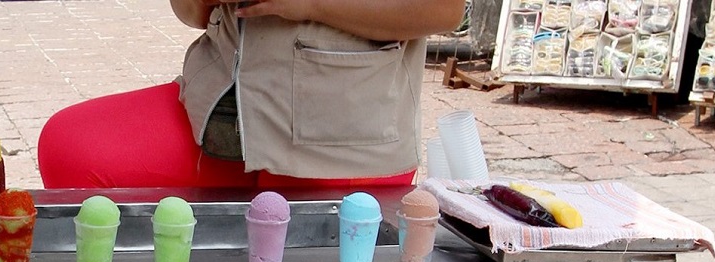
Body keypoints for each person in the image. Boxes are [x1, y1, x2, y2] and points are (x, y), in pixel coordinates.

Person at [37, 0, 467, 190]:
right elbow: (189, 12)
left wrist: (313, 4)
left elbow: (443, 10)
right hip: (221, 110)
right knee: (71, 147)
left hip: (342, 128)